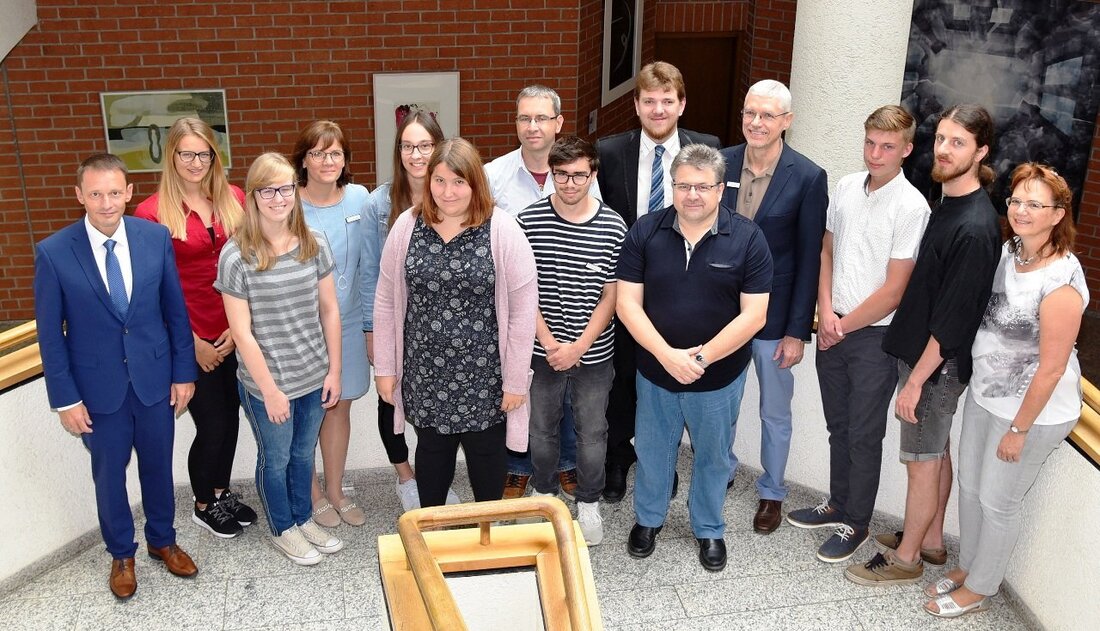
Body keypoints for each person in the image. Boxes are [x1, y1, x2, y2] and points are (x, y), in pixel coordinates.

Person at [846, 104, 1001, 586]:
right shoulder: (949, 203)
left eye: (959, 142)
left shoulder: (975, 227)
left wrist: (916, 381)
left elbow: (953, 319)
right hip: (925, 362)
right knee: (935, 454)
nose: (946, 149)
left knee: (921, 462)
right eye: (942, 139)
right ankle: (932, 541)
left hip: (935, 368)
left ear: (981, 152)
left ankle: (907, 558)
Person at [924, 163, 1087, 617]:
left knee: (999, 501)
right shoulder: (1010, 251)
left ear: (1058, 214)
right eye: (1016, 200)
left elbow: (1052, 369)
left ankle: (981, 588)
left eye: (1035, 204)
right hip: (986, 395)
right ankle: (972, 567)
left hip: (1032, 413)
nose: (1021, 210)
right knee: (972, 489)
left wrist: (1019, 429)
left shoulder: (1061, 283)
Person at [34, 153, 198, 599]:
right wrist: (65, 400)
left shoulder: (154, 237)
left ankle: (162, 541)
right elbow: (50, 335)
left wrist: (184, 372)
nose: (106, 203)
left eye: (114, 192)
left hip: (154, 380)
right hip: (96, 390)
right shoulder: (53, 252)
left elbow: (174, 312)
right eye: (95, 194)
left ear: (128, 193)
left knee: (158, 466)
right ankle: (121, 553)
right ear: (80, 196)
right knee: (108, 474)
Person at [617, 144, 772, 571]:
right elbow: (627, 305)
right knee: (652, 451)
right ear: (673, 185)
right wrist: (667, 355)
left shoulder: (747, 238)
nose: (692, 196)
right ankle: (649, 520)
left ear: (721, 189)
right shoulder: (645, 231)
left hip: (719, 377)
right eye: (683, 185)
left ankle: (708, 528)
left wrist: (699, 359)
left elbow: (754, 315)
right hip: (654, 370)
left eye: (702, 187)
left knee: (713, 455)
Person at [786, 106, 929, 562]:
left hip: (873, 338)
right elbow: (827, 251)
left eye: (887, 147)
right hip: (833, 323)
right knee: (838, 426)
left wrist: (842, 327)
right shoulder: (847, 186)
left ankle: (857, 522)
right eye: (869, 143)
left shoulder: (912, 206)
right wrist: (824, 311)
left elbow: (894, 290)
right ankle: (837, 504)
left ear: (906, 150)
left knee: (864, 435)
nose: (875, 153)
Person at [374, 138, 538, 507]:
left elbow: (523, 311)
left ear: (475, 182)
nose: (448, 191)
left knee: (486, 457)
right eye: (440, 180)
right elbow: (385, 301)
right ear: (428, 180)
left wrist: (514, 381)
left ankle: (485, 535)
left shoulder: (502, 229)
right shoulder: (407, 226)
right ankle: (432, 535)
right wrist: (385, 368)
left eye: (459, 181)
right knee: (431, 453)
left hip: (485, 377)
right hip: (425, 372)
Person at [595, 61, 721, 503]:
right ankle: (618, 459)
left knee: (665, 386)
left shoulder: (707, 148)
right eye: (649, 101)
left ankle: (662, 468)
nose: (658, 109)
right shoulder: (609, 152)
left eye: (668, 101)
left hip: (682, 289)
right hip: (626, 288)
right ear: (636, 105)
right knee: (621, 379)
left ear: (682, 104)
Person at [215, 152, 345, 566]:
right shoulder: (236, 256)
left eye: (285, 188)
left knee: (304, 456)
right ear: (252, 196)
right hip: (266, 385)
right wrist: (270, 391)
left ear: (295, 190)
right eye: (267, 190)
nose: (278, 198)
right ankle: (282, 528)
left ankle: (303, 517)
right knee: (277, 459)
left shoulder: (313, 244)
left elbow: (329, 310)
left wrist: (335, 370)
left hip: (313, 376)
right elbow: (241, 333)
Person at [134, 117, 257, 539]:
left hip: (234, 332)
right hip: (189, 337)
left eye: (204, 153)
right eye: (187, 153)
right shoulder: (150, 214)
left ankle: (221, 492)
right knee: (213, 424)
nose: (196, 161)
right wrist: (192, 345)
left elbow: (251, 268)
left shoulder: (235, 199)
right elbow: (150, 294)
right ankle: (202, 503)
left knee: (233, 416)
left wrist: (241, 329)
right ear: (172, 156)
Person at [718, 79, 828, 534]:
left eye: (768, 115)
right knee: (720, 403)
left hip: (774, 319)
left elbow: (808, 259)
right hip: (719, 313)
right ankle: (720, 470)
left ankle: (772, 491)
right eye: (750, 113)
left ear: (786, 121)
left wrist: (796, 331)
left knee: (774, 411)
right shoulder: (720, 162)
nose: (757, 123)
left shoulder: (807, 176)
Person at [485, 85, 599, 501]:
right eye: (524, 118)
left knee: (567, 392)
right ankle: (517, 467)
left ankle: (565, 464)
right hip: (509, 307)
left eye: (541, 118)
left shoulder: (582, 174)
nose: (532, 127)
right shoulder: (492, 176)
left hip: (568, 304)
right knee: (518, 388)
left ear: (558, 123)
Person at [517, 136, 627, 546]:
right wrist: (549, 343)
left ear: (593, 174)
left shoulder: (614, 225)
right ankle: (544, 495)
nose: (568, 183)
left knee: (592, 431)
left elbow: (611, 295)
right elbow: (523, 293)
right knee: (541, 429)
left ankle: (588, 503)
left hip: (594, 352)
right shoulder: (528, 222)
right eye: (561, 174)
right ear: (552, 175)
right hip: (542, 351)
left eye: (578, 175)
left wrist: (579, 346)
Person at [366, 109, 458, 511]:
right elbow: (372, 274)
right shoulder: (379, 203)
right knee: (391, 400)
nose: (416, 155)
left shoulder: (459, 193)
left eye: (425, 145)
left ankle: (435, 476)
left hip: (445, 328)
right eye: (407, 146)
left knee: (440, 403)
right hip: (395, 325)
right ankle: (406, 477)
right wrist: (373, 332)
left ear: (439, 146)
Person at [291, 120, 375, 528]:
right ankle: (312, 493)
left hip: (351, 321)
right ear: (303, 160)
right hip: (304, 327)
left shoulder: (360, 198)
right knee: (308, 409)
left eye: (336, 153)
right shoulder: (286, 203)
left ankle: (337, 489)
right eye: (318, 153)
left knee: (339, 406)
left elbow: (372, 263)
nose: (328, 161)